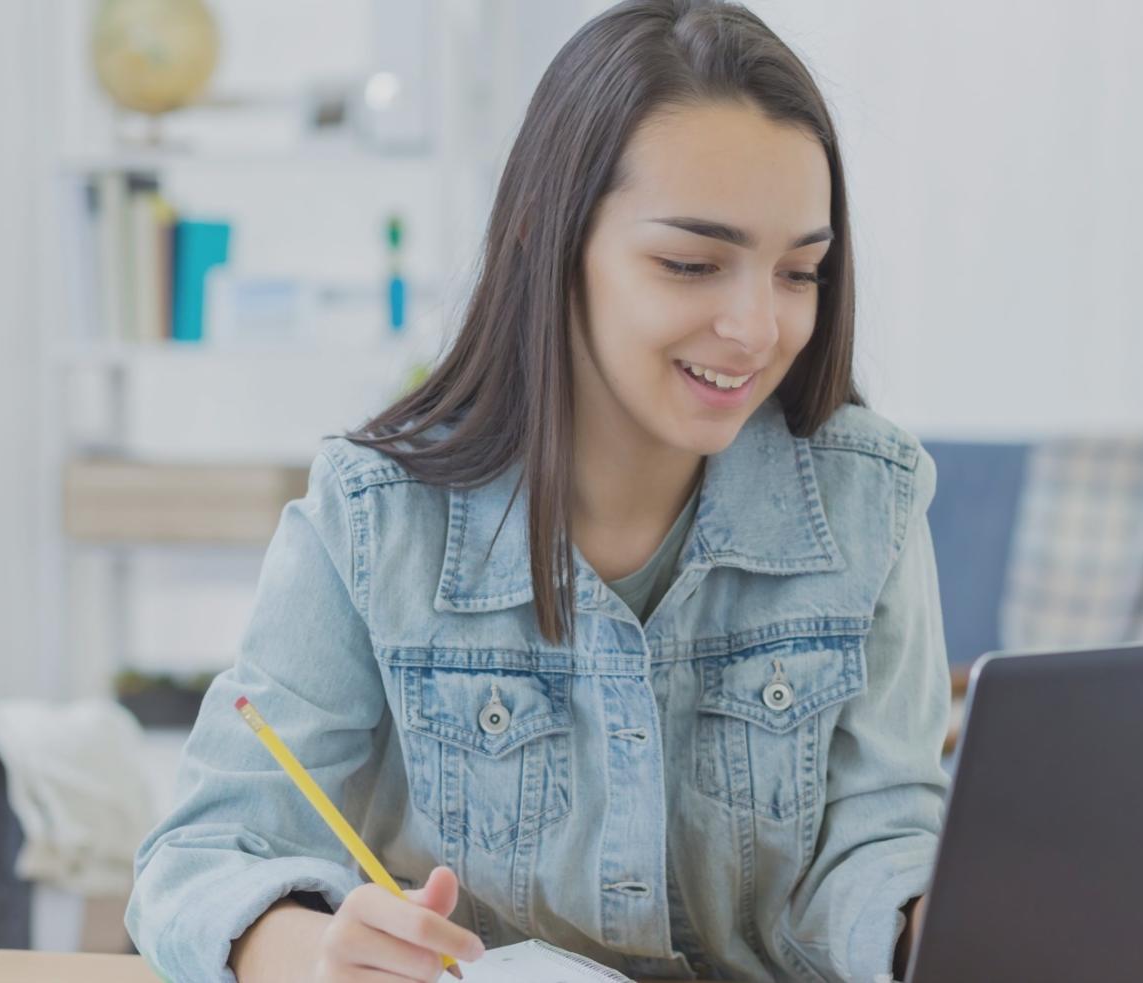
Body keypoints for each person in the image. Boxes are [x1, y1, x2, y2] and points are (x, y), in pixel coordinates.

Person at [127, 1, 949, 979]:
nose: (756, 327)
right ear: (546, 241)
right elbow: (193, 860)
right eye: (691, 263)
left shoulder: (870, 498)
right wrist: (307, 949)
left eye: (799, 272)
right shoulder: (373, 514)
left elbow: (882, 838)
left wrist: (926, 923)